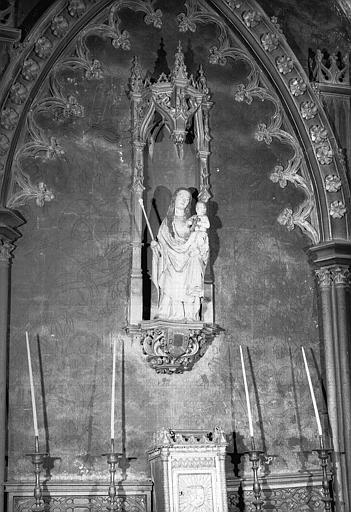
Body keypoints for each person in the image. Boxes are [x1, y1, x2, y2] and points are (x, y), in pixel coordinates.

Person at [150, 189, 209, 322]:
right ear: (174, 199)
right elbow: (163, 245)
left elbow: (201, 239)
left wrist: (198, 244)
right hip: (170, 261)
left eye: (187, 199)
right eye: (181, 197)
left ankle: (188, 315)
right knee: (170, 283)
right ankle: (167, 313)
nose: (184, 200)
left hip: (188, 261)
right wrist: (156, 247)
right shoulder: (166, 223)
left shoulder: (193, 220)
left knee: (188, 285)